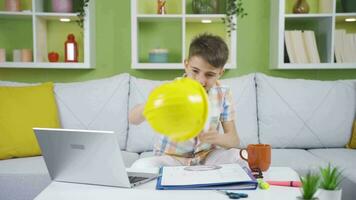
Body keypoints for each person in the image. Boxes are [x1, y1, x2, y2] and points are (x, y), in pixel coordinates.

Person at [129, 33, 243, 168]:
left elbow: (234, 140)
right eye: (195, 71)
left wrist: (216, 137)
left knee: (240, 157)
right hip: (171, 158)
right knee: (141, 166)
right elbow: (133, 119)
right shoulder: (172, 90)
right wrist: (152, 104)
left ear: (220, 73)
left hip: (206, 157)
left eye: (210, 74)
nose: (201, 80)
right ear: (186, 65)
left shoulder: (223, 93)